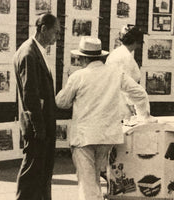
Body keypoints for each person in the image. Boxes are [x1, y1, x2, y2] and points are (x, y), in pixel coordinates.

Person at [55, 36, 154, 200]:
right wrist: (143, 117)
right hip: (108, 136)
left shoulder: (78, 76)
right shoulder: (115, 73)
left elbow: (61, 102)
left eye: (79, 58)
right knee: (95, 178)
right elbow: (140, 93)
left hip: (84, 137)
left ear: (83, 58)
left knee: (87, 183)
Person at [14, 13, 60, 200]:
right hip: (37, 126)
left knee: (41, 173)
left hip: (41, 124)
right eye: (55, 32)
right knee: (32, 173)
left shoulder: (34, 51)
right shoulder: (29, 53)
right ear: (43, 29)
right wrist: (39, 129)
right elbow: (30, 94)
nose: (57, 37)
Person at [106, 25, 144, 120]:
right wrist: (132, 105)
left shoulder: (117, 53)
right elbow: (125, 84)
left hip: (114, 101)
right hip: (122, 104)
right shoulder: (125, 56)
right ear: (135, 42)